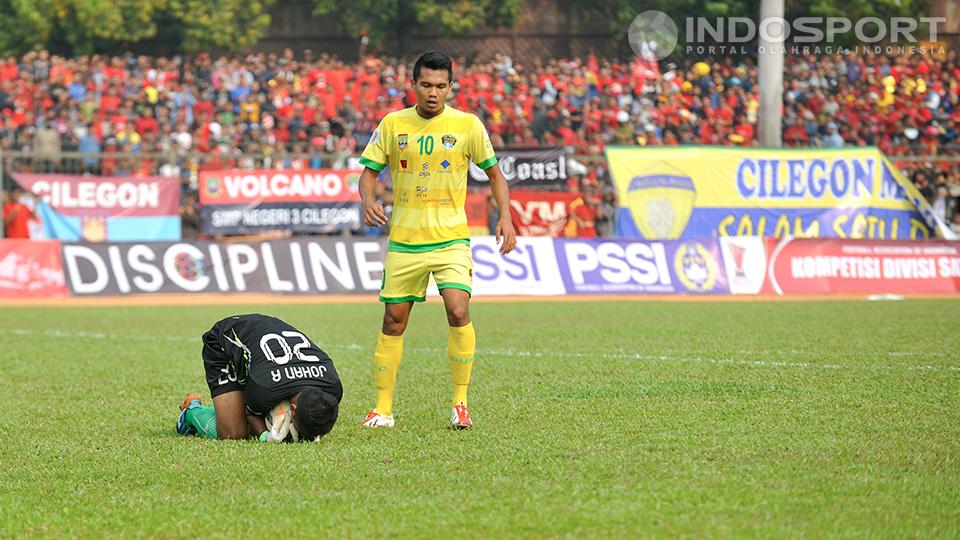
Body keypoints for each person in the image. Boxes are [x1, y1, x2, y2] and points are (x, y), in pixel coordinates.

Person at [357, 50, 517, 429]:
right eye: (426, 85)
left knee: (458, 310)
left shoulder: (468, 126)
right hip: (405, 242)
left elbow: (495, 175)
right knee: (393, 322)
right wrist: (367, 200)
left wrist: (506, 217)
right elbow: (368, 173)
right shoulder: (393, 124)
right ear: (413, 85)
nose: (433, 93)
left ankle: (460, 404)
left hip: (450, 240)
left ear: (450, 87)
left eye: (441, 86)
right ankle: (382, 409)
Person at [176, 314, 342, 442]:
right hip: (225, 339)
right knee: (234, 432)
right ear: (293, 408)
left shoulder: (333, 387)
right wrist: (264, 435)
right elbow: (252, 415)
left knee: (281, 424)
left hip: (267, 342)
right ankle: (191, 411)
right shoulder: (264, 389)